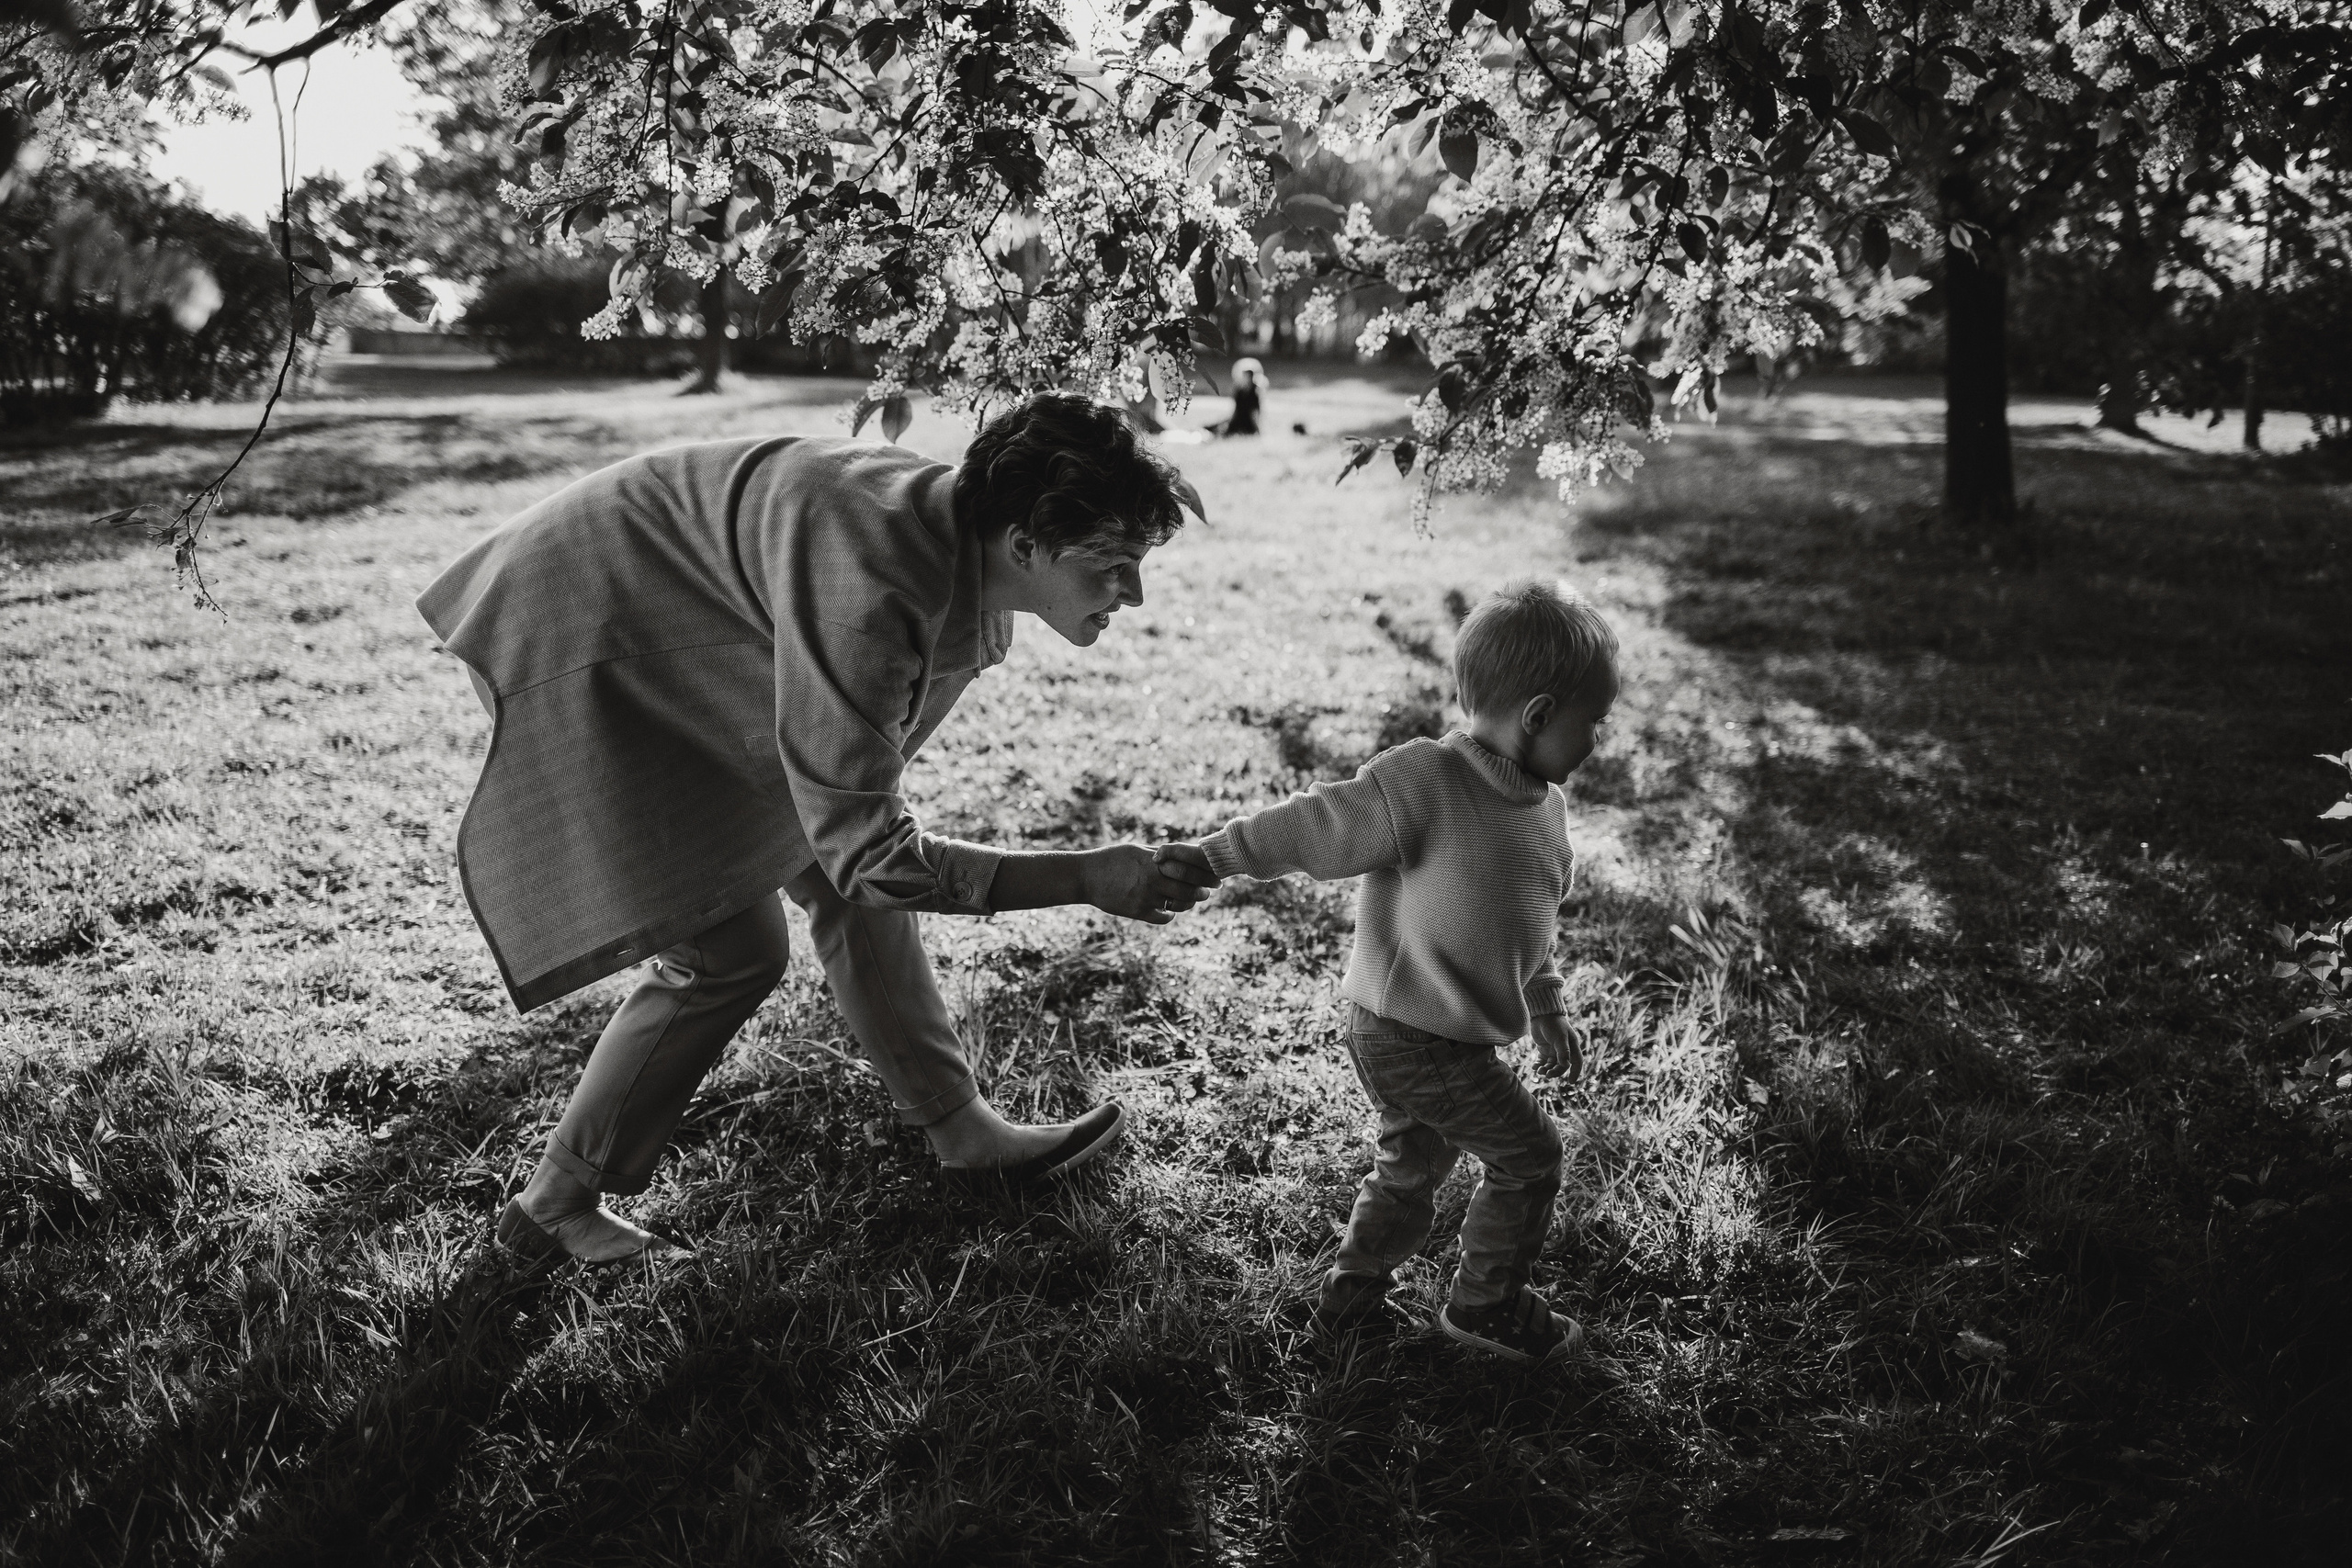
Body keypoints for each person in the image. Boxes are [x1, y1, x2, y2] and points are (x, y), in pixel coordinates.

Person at [418, 394, 1220, 1264]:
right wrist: (1086, 877)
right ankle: (551, 1209)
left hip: (684, 614)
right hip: (586, 617)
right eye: (1110, 565)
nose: (1133, 594)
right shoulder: (871, 590)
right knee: (728, 954)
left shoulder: (965, 550)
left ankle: (962, 1132)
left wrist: (856, 847)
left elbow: (857, 838)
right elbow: (874, 856)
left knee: (841, 875)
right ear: (1024, 544)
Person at [1157, 579, 1618, 1364]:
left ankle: (1350, 1299)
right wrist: (1214, 856)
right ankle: (1487, 1306)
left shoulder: (1544, 809)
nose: (1599, 741)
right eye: (1593, 722)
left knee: (1411, 1169)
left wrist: (1546, 1006)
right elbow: (1315, 823)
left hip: (1437, 1036)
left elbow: (1528, 923)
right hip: (1412, 1034)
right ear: (1537, 715)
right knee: (1531, 1155)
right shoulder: (1425, 781)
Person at [1220, 358, 1263, 437]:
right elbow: (1236, 412)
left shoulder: (1254, 394)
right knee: (1217, 427)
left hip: (1246, 427)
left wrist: (1258, 431)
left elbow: (1254, 415)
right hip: (1237, 423)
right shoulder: (1239, 392)